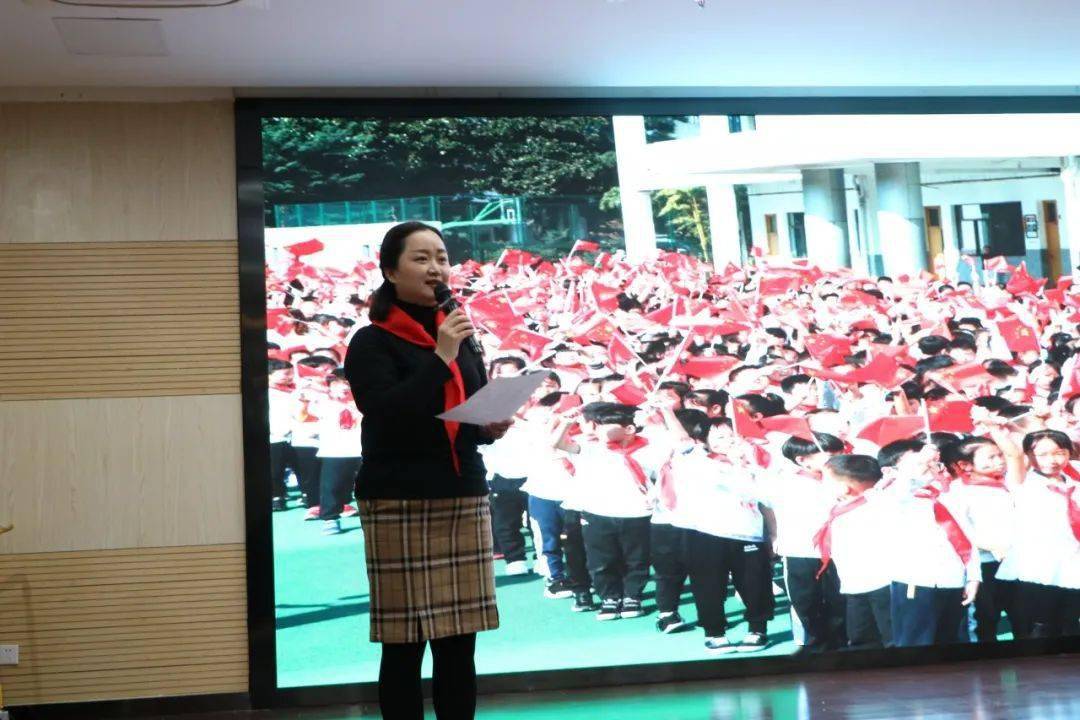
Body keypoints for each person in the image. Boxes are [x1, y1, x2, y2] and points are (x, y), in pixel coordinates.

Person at [344, 221, 512, 720]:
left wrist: (489, 424)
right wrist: (440, 355)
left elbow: (463, 412)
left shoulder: (458, 328)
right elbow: (385, 410)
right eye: (420, 258)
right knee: (404, 643)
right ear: (390, 270)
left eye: (441, 256)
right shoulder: (371, 341)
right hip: (399, 496)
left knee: (460, 642)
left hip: (461, 490)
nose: (435, 267)